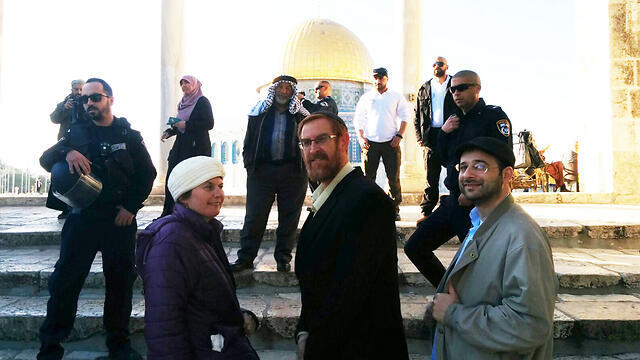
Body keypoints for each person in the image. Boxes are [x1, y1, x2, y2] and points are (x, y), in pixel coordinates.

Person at [38, 78, 157, 360]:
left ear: (110, 99)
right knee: (65, 283)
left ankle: (119, 346)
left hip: (120, 220)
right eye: (85, 99)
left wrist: (131, 208)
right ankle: (50, 349)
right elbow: (45, 159)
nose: (89, 103)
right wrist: (68, 151)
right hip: (83, 219)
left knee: (120, 285)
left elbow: (147, 174)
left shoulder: (128, 134)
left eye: (95, 98)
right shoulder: (76, 132)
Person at [427, 137, 556, 360]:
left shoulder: (522, 236)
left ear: (507, 175)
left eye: (480, 166)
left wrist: (453, 314)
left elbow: (529, 325)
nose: (468, 174)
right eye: (464, 167)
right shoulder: (480, 224)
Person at [295, 112, 409, 360]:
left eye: (322, 139)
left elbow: (349, 291)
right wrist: (304, 330)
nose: (313, 150)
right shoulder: (331, 196)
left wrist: (314, 346)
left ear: (344, 142)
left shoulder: (366, 199)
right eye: (306, 142)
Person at [136, 156, 260, 360]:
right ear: (184, 195)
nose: (219, 194)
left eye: (220, 185)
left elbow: (204, 298)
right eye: (208, 187)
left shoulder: (203, 231)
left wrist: (239, 315)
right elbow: (164, 325)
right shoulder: (171, 242)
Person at [404, 70, 512, 287]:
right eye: (453, 88)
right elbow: (444, 157)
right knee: (414, 247)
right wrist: (443, 132)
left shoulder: (493, 117)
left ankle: (485, 306)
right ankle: (448, 291)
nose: (456, 93)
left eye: (462, 88)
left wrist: (474, 197)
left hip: (479, 207)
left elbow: (503, 161)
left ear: (477, 88)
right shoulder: (454, 120)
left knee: (483, 263)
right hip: (454, 201)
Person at [231, 75, 309, 273]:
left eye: (287, 89)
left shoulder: (301, 116)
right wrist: (250, 166)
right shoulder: (260, 113)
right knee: (254, 217)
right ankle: (246, 258)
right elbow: (248, 142)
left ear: (292, 92)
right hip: (262, 172)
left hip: (293, 173)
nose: (283, 92)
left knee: (289, 218)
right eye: (280, 88)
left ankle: (283, 258)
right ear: (273, 90)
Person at [354, 67, 409, 220]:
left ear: (386, 79)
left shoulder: (395, 96)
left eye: (381, 78)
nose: (378, 81)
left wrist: (399, 135)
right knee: (368, 178)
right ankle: (369, 207)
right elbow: (359, 119)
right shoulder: (367, 98)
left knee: (393, 178)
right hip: (370, 143)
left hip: (390, 143)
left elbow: (405, 117)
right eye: (375, 78)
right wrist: (361, 139)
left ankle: (394, 208)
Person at [160, 75, 214, 217]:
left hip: (196, 148)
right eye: (182, 84)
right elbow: (179, 125)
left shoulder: (202, 102)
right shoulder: (183, 103)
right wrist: (169, 132)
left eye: (187, 83)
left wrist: (186, 125)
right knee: (173, 178)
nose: (184, 86)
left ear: (195, 85)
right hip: (181, 147)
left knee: (193, 181)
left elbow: (209, 123)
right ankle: (169, 213)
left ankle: (191, 213)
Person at [414, 57, 457, 220]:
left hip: (451, 135)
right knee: (430, 176)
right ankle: (427, 211)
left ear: (446, 66)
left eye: (439, 64)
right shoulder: (425, 87)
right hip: (430, 137)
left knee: (454, 171)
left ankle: (455, 206)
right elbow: (417, 114)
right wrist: (420, 137)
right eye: (434, 64)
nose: (436, 67)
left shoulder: (454, 84)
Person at [49, 79, 86, 219]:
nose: (78, 92)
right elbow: (54, 118)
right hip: (65, 144)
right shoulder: (64, 103)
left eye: (81, 89)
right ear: (71, 89)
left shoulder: (88, 101)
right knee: (61, 172)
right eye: (76, 89)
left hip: (83, 143)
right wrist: (65, 108)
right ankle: (64, 207)